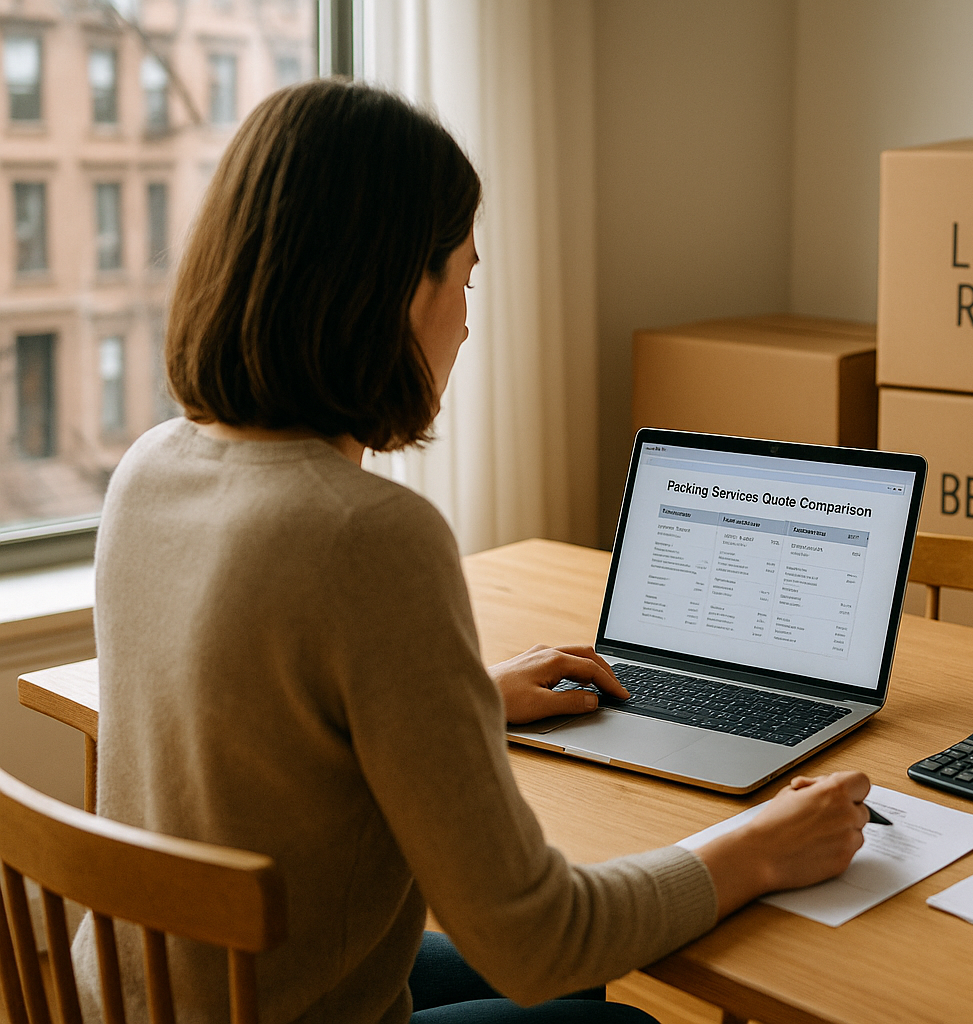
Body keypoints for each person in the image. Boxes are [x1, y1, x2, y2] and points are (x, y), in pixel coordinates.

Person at [75, 78, 872, 1024]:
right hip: (286, 1010)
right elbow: (536, 939)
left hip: (151, 997)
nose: (464, 318)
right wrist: (758, 845)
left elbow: (258, 719)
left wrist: (465, 699)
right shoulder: (366, 535)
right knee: (613, 1011)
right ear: (394, 290)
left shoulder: (152, 467)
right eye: (464, 276)